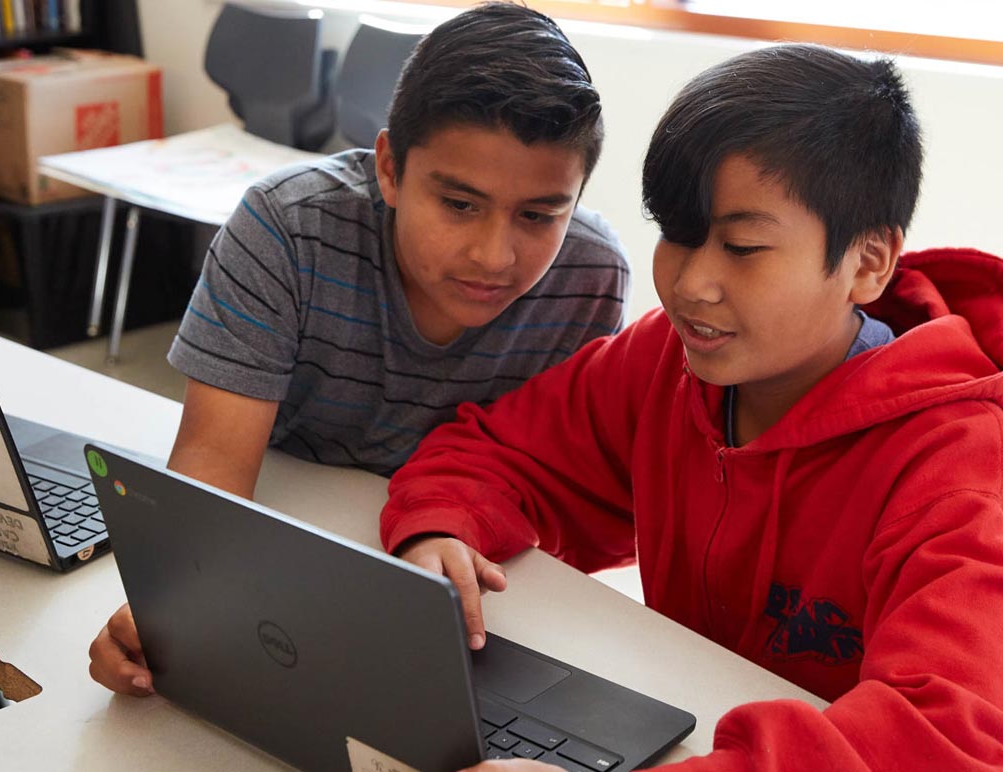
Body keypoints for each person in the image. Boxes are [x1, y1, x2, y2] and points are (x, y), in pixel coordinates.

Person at [381, 44, 1003, 770]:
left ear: (868, 263)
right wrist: (439, 532)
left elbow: (945, 742)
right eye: (678, 235)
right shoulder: (668, 362)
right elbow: (497, 450)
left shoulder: (960, 469)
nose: (691, 284)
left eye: (741, 247)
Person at [88, 2, 628, 696]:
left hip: (464, 579)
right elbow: (214, 461)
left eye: (539, 215)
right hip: (286, 539)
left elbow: (553, 479)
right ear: (390, 170)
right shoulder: (285, 227)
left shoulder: (591, 275)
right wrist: (175, 609)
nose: (495, 255)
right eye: (459, 204)